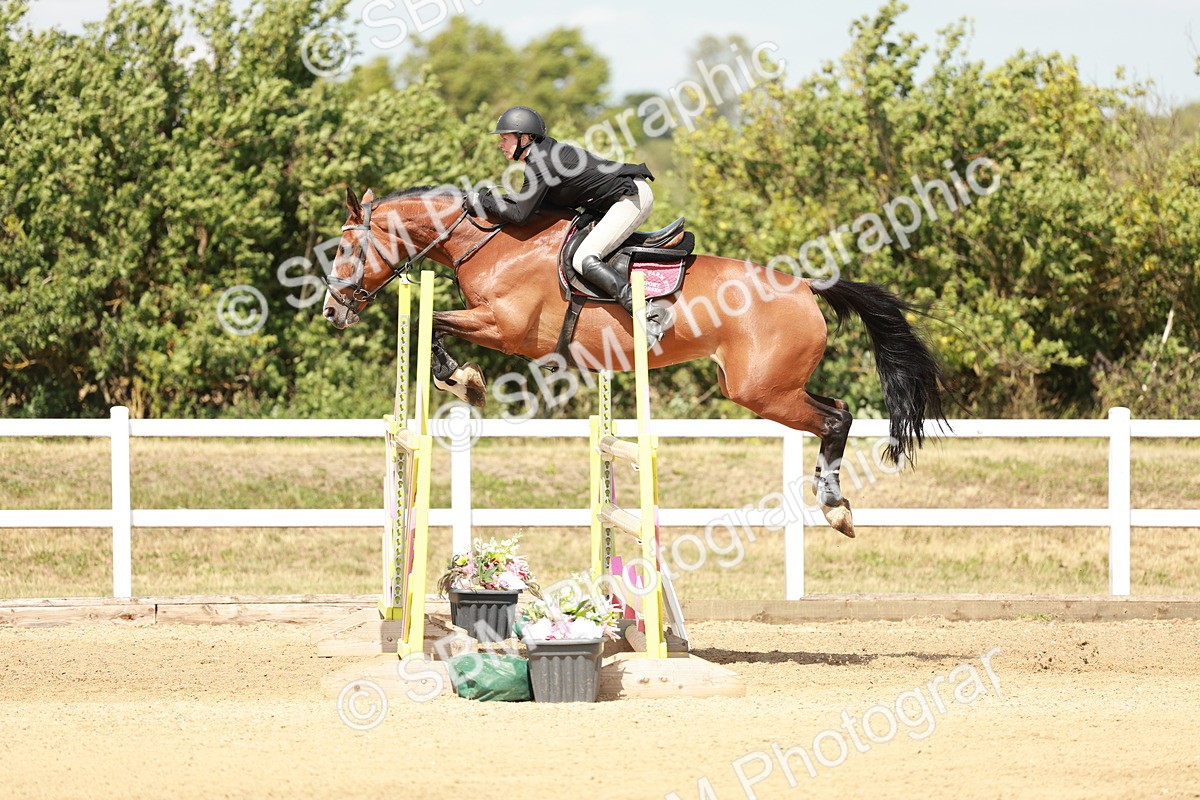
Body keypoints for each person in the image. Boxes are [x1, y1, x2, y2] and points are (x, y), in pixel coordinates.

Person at [464, 105, 668, 346]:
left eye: (505, 138)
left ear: (525, 138)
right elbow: (532, 207)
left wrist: (482, 200)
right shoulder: (541, 156)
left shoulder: (542, 161)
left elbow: (520, 215)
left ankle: (648, 313)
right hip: (606, 203)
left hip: (630, 197)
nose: (501, 144)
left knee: (583, 257)